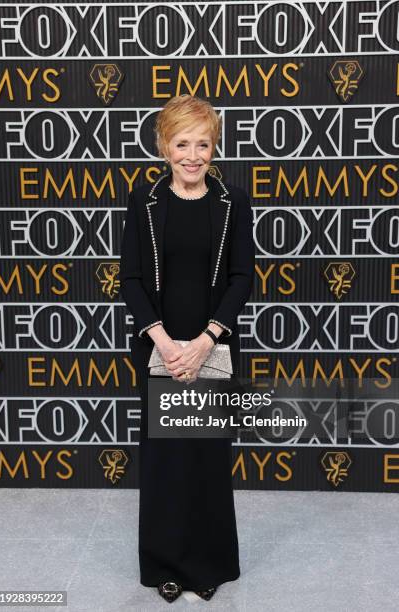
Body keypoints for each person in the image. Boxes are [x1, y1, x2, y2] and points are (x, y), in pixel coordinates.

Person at [119, 94, 255, 603]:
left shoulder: (233, 201)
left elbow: (243, 276)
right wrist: (164, 342)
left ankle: (208, 566)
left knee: (205, 460)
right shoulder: (144, 201)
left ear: (214, 147)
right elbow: (130, 278)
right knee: (164, 463)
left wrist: (203, 342)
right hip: (160, 349)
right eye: (182, 143)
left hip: (211, 346)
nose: (193, 155)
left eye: (203, 143)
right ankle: (164, 568)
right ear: (163, 147)